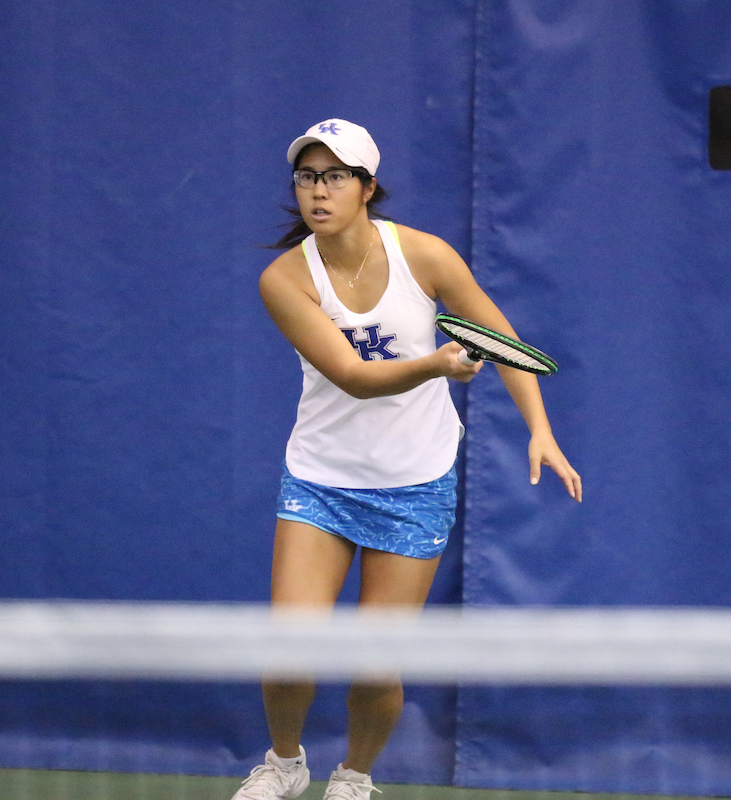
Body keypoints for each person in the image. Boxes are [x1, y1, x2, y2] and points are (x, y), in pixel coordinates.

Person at [232, 119, 582, 800]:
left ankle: (355, 777)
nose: (317, 191)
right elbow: (353, 375)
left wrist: (540, 428)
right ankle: (283, 764)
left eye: (334, 177)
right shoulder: (283, 279)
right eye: (306, 177)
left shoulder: (426, 257)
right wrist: (437, 364)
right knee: (288, 647)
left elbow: (501, 339)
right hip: (321, 480)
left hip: (415, 484)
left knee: (375, 666)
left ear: (366, 187)